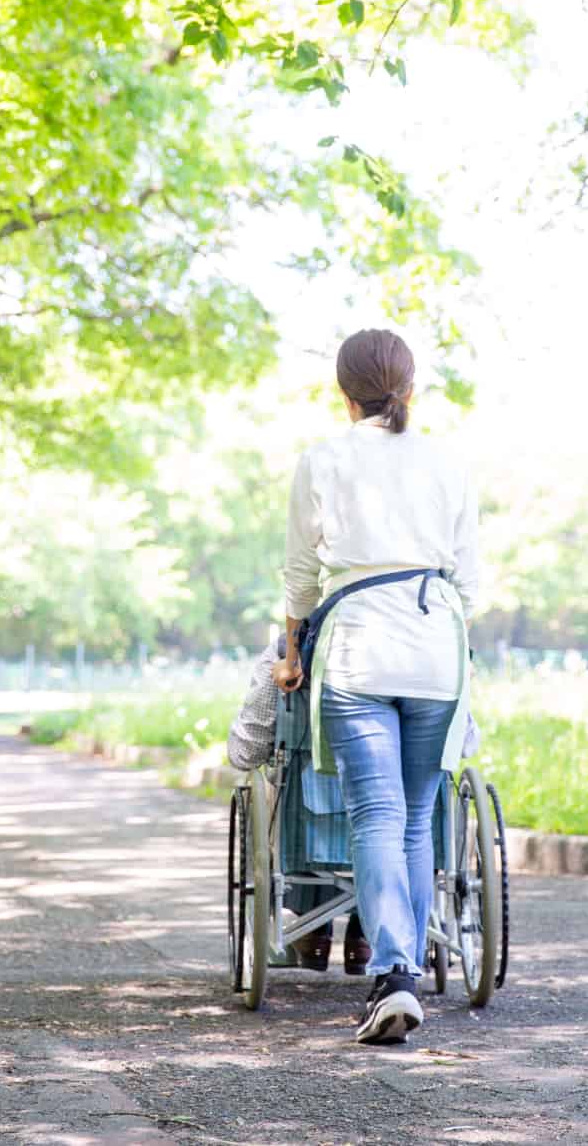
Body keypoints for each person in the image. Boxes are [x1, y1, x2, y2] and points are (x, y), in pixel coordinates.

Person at [276, 328, 478, 1046]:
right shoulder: (448, 461)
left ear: (343, 392)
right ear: (409, 387)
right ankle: (407, 966)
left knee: (376, 814)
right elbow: (469, 579)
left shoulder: (322, 459)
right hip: (434, 648)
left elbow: (301, 576)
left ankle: (393, 973)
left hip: (359, 648)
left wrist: (292, 649)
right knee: (418, 816)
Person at [226, 633, 479, 976]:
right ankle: (367, 934)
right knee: (412, 813)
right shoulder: (440, 647)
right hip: (414, 801)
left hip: (314, 820)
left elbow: (245, 752)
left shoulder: (290, 653)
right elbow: (465, 744)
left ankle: (313, 926)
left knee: (287, 794)